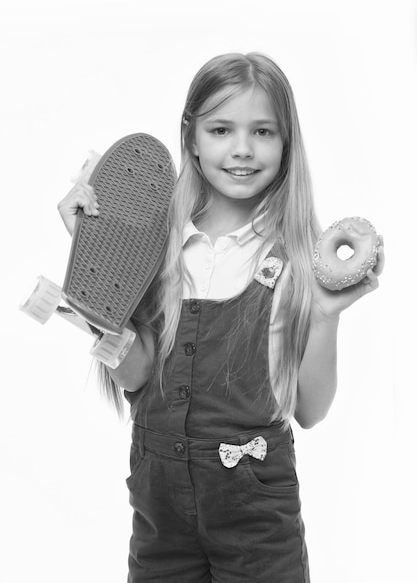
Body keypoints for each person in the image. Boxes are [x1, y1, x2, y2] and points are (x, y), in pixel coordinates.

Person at [58, 52, 384, 582]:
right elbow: (136, 374)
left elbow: (311, 410)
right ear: (191, 137)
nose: (241, 149)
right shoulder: (156, 249)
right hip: (159, 511)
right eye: (220, 129)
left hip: (257, 517)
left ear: (286, 143)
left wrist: (324, 316)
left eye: (262, 131)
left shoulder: (296, 259)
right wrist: (95, 257)